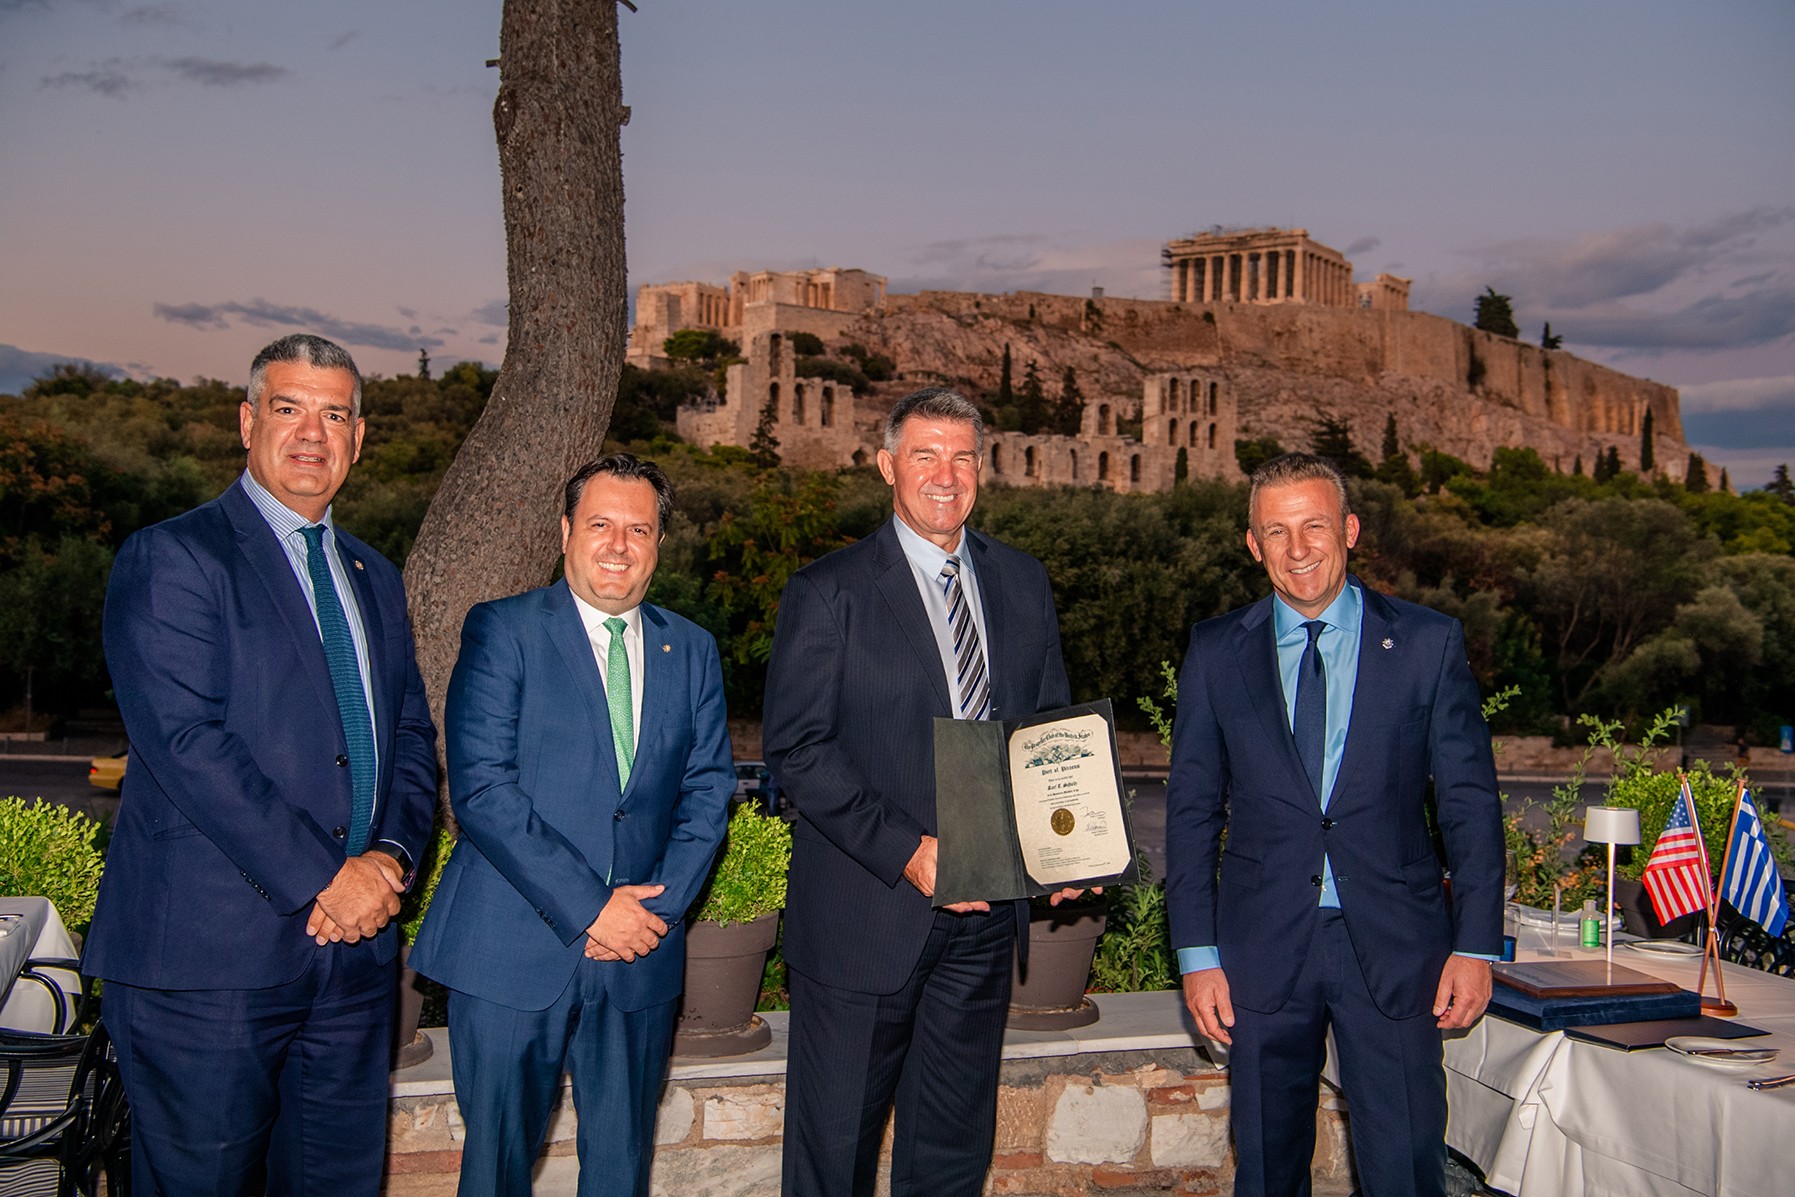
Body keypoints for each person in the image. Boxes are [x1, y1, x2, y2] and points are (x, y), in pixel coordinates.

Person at [86, 333, 438, 1195]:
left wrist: (388, 860)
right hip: (209, 965)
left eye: (334, 415)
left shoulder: (374, 576)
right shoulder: (174, 556)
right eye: (289, 408)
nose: (312, 433)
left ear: (359, 437)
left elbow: (409, 738)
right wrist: (329, 877)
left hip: (352, 966)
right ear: (248, 423)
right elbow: (186, 744)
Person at [1166, 452, 1503, 1197]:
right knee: (1265, 1165)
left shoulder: (1427, 642)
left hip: (1396, 945)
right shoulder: (1217, 650)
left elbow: (1469, 803)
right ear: (1253, 544)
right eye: (1276, 531)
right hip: (1258, 949)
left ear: (1348, 530)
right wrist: (1196, 955)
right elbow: (1190, 811)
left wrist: (1476, 944)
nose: (1298, 549)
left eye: (1314, 526)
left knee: (1405, 1166)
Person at [764, 387, 1072, 1197]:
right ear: (886, 465)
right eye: (925, 454)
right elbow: (797, 749)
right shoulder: (828, 590)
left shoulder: (1022, 581)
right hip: (864, 923)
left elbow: (1046, 732)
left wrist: (1065, 843)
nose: (945, 474)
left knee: (949, 1158)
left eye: (962, 457)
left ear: (982, 468)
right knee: (832, 1161)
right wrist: (907, 851)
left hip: (983, 925)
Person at [409, 454, 734, 1197]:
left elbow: (709, 789)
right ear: (565, 531)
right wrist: (591, 908)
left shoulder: (691, 649)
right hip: (511, 951)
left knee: (620, 1168)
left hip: (638, 956)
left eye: (638, 529)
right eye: (599, 525)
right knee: (495, 1170)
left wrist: (651, 913)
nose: (618, 545)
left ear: (658, 543)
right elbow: (483, 789)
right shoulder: (504, 629)